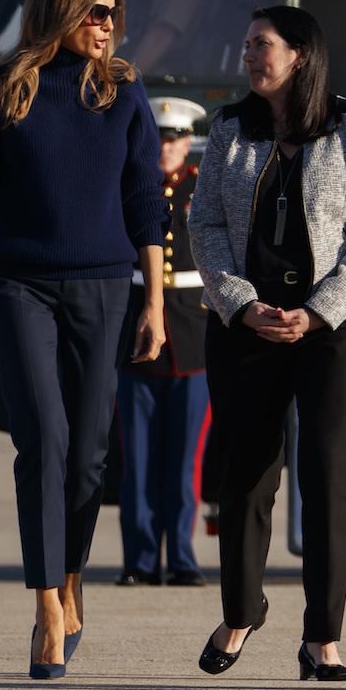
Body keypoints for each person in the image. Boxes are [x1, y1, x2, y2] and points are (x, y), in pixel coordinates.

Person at [0, 0, 167, 681]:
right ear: (61, 10)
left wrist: (154, 300)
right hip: (17, 286)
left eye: (114, 13)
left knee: (92, 450)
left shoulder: (123, 93)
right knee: (44, 440)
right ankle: (46, 610)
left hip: (104, 286)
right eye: (95, 11)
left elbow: (146, 201)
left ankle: (69, 575)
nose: (107, 25)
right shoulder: (0, 91)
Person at [188, 5, 346, 683]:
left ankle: (323, 639)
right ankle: (241, 612)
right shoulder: (228, 129)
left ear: (301, 54)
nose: (249, 55)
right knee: (245, 473)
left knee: (331, 474)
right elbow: (206, 225)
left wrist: (317, 311)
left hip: (335, 325)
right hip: (248, 323)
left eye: (262, 44)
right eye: (246, 43)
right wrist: (242, 305)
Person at [116, 96, 212, 588]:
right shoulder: (128, 188)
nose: (168, 147)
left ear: (188, 142)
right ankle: (139, 558)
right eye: (160, 138)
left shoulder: (203, 190)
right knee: (137, 461)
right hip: (136, 334)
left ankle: (183, 556)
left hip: (192, 338)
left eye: (176, 138)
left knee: (184, 462)